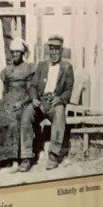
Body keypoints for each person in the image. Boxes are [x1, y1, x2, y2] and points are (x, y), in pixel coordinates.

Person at [0, 39, 40, 171]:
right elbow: (6, 91)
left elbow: (31, 91)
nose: (15, 54)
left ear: (22, 53)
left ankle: (16, 159)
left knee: (13, 118)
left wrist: (21, 102)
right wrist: (0, 102)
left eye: (18, 52)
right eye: (13, 52)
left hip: (23, 99)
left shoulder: (28, 68)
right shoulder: (7, 70)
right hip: (8, 100)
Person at [33, 35, 74, 169]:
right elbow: (33, 85)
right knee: (27, 114)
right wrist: (34, 98)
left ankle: (53, 154)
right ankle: (26, 155)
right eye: (51, 48)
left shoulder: (67, 67)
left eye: (57, 49)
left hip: (55, 102)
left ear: (61, 50)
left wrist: (61, 98)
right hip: (41, 101)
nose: (54, 52)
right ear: (48, 49)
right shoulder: (41, 65)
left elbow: (68, 89)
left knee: (59, 112)